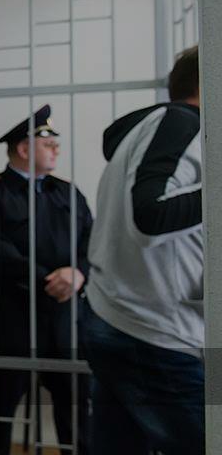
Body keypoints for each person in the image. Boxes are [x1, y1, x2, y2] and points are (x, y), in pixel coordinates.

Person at [80, 45, 204, 454]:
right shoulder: (181, 122)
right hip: (153, 334)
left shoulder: (152, 131)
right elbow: (150, 217)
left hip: (122, 320)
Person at [0, 105, 93, 455]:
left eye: (55, 144)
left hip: (66, 317)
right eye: (48, 144)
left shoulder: (68, 192)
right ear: (24, 149)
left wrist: (78, 273)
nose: (57, 150)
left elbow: (92, 242)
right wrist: (49, 281)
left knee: (76, 404)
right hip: (15, 316)